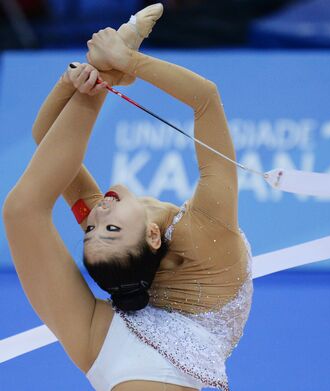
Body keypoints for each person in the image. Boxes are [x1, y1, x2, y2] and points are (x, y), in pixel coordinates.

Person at [2, 3, 251, 391]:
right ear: (152, 236)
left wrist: (83, 82)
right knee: (21, 210)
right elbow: (205, 99)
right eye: (110, 226)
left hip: (108, 347)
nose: (97, 213)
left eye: (90, 230)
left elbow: (47, 141)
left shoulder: (110, 229)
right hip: (151, 375)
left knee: (21, 209)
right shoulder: (204, 237)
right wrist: (126, 60)